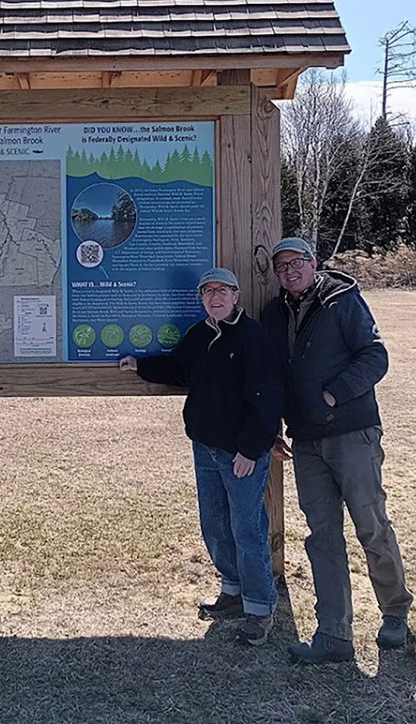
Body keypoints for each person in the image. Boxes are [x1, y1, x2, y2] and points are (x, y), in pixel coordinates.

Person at [261, 237, 415, 664]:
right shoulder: (274, 315)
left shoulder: (342, 300)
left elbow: (374, 357)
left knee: (371, 525)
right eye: (281, 266)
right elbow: (272, 378)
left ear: (314, 264)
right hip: (305, 441)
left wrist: (333, 395)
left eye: (297, 263)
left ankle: (395, 613)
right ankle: (334, 634)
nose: (290, 271)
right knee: (322, 537)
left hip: (352, 433)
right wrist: (272, 428)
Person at [119, 267, 282, 646]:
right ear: (203, 299)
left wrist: (250, 449)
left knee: (248, 528)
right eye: (208, 292)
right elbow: (178, 369)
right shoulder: (199, 334)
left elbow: (268, 396)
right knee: (214, 523)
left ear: (236, 296)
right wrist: (141, 365)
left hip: (240, 453)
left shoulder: (252, 337)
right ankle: (232, 588)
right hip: (205, 448)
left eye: (223, 290)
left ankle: (259, 608)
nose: (216, 297)